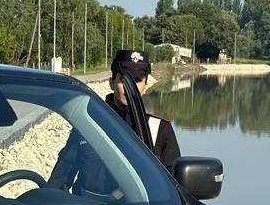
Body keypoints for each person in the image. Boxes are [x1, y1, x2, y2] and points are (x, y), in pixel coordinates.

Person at [49, 49, 182, 195]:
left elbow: (175, 191)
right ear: (112, 83)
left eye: (137, 80)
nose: (130, 87)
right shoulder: (89, 123)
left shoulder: (159, 129)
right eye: (123, 80)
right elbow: (59, 180)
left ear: (146, 85)